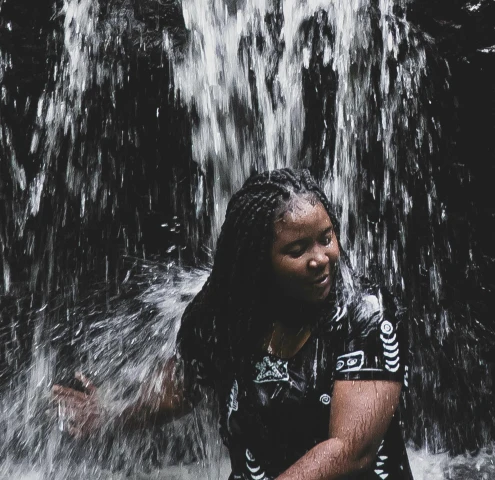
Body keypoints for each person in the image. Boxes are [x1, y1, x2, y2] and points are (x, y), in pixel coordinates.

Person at [51, 168, 413, 480]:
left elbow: (351, 448)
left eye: (326, 238)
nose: (320, 259)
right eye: (297, 250)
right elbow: (181, 388)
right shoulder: (226, 315)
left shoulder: (364, 312)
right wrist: (110, 417)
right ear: (259, 261)